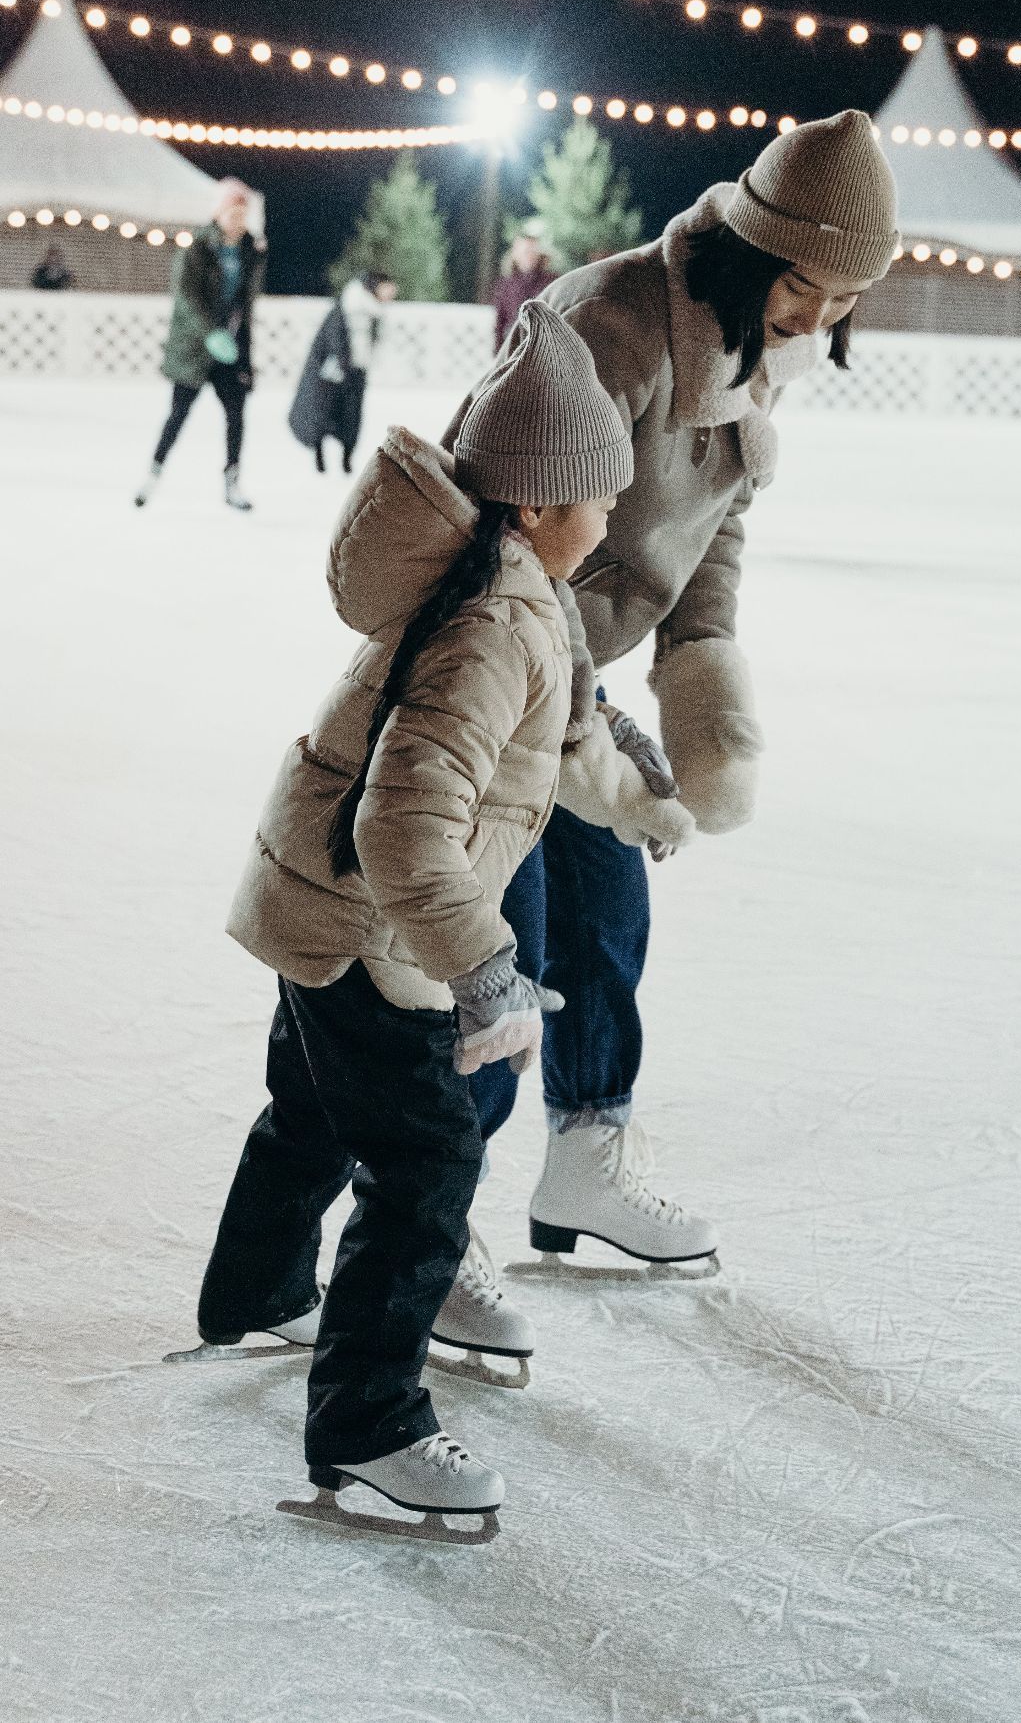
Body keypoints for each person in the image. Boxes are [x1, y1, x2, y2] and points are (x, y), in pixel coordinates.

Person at [181, 303, 634, 1534]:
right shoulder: (495, 623)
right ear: (539, 504)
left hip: (317, 899)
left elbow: (534, 734)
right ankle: (371, 1427)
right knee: (428, 1155)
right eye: (601, 492)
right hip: (364, 924)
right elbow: (402, 829)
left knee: (318, 1111)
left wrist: (620, 761)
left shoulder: (510, 592)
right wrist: (486, 965)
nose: (615, 515)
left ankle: (263, 1291)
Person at [441, 110, 899, 1327]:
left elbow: (716, 531)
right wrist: (559, 709)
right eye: (812, 286)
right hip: (493, 687)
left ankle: (584, 1162)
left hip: (577, 691)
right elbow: (489, 510)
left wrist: (701, 671)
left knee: (604, 928)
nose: (826, 318)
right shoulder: (610, 327)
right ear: (760, 250)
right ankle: (424, 1226)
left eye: (847, 297)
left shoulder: (749, 363)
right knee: (499, 959)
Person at [133, 178, 265, 511]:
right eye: (232, 213)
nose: (238, 221)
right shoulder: (197, 246)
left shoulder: (251, 250)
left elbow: (245, 305)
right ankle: (153, 473)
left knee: (236, 416)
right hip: (194, 347)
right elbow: (186, 297)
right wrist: (209, 333)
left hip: (231, 350)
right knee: (178, 414)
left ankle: (232, 482)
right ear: (219, 213)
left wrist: (244, 355)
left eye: (243, 214)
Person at [288, 272, 397, 474]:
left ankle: (346, 461)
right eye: (388, 288)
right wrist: (342, 361)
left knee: (351, 418)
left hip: (357, 370)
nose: (391, 294)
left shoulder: (376, 312)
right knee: (323, 415)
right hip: (333, 373)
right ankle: (320, 459)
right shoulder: (349, 305)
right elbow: (333, 336)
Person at [488, 224, 556, 351]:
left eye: (532, 250)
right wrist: (497, 354)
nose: (528, 255)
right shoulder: (505, 285)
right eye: (524, 251)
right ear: (515, 253)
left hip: (544, 346)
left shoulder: (551, 281)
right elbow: (499, 323)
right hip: (514, 346)